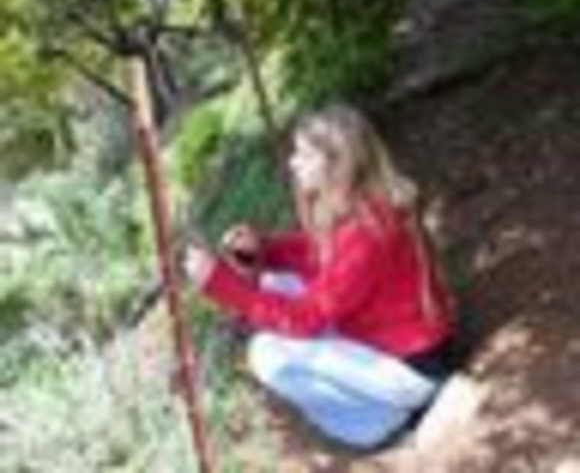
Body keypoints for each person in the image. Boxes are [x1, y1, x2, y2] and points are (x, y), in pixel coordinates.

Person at [183, 104, 455, 450]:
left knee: (266, 353)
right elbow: (319, 255)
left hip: (414, 370)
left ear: (335, 163)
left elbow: (306, 318)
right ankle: (384, 407)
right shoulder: (365, 207)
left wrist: (220, 284)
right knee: (274, 282)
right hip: (407, 346)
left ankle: (379, 424)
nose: (292, 163)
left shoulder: (367, 233)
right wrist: (263, 249)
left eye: (303, 154)